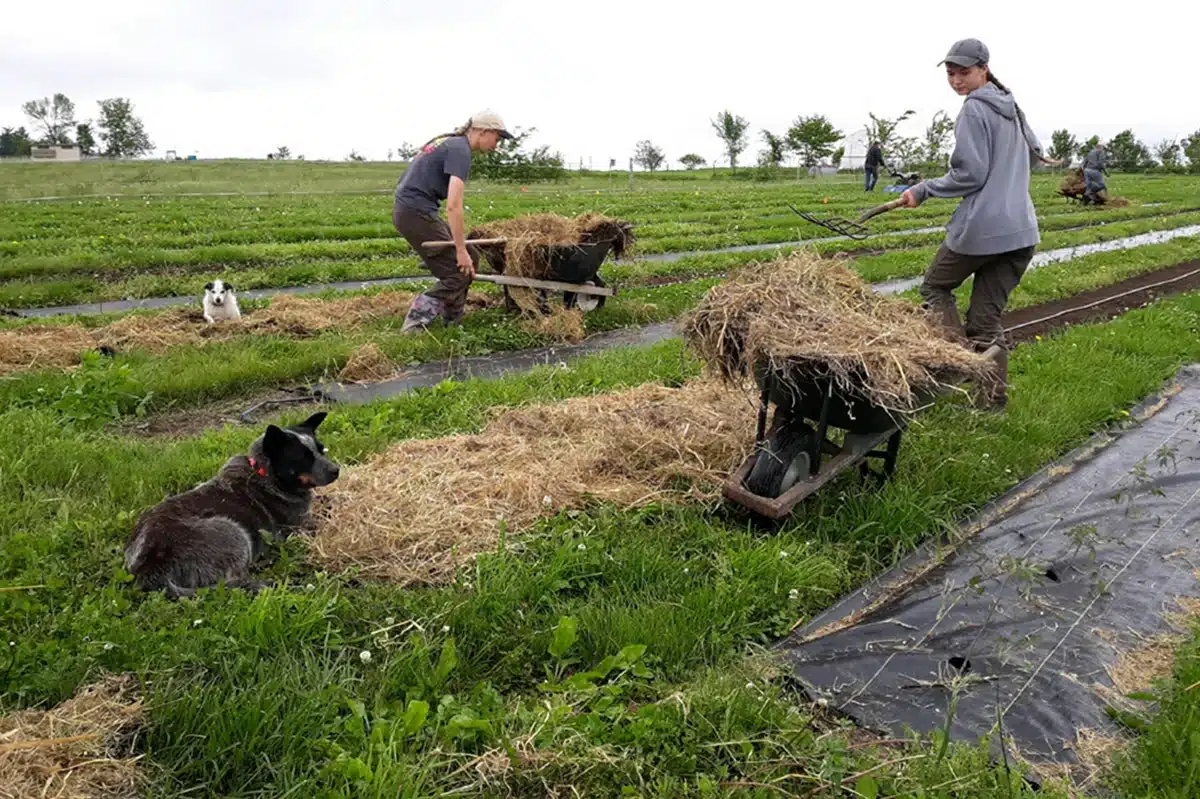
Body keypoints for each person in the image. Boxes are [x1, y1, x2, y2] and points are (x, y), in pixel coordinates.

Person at [898, 38, 1060, 409]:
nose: (957, 81)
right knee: (985, 325)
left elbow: (969, 174)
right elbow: (1036, 155)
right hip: (1021, 232)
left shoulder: (974, 109)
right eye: (951, 74)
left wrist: (923, 190)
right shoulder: (1011, 105)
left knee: (935, 288)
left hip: (983, 230)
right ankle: (992, 403)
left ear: (983, 69)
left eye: (964, 73)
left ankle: (953, 365)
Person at [392, 110, 514, 333]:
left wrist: (463, 251)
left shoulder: (448, 141)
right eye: (496, 139)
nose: (496, 145)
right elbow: (454, 205)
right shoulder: (461, 151)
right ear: (483, 131)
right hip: (415, 211)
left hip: (411, 208)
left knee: (471, 259)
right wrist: (459, 249)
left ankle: (453, 322)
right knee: (458, 270)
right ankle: (415, 323)